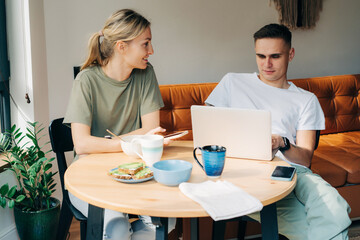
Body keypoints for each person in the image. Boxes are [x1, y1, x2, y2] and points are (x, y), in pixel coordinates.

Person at [205, 23, 351, 240]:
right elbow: (208, 128)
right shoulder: (233, 82)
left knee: (334, 203)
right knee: (319, 231)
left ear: (290, 54)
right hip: (245, 173)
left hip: (291, 171)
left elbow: (304, 160)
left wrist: (282, 142)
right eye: (261, 56)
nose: (267, 64)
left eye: (275, 56)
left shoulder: (306, 100)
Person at [64, 9, 175, 240]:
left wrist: (110, 144)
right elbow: (82, 145)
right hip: (89, 174)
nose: (151, 51)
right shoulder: (86, 80)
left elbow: (151, 131)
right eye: (145, 44)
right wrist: (132, 142)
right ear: (122, 46)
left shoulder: (146, 74)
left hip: (138, 172)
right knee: (116, 227)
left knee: (167, 221)